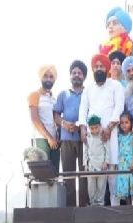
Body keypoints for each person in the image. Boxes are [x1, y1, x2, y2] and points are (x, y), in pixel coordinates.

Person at [78, 53, 125, 207]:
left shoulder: (115, 85)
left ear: (107, 68)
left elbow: (119, 107)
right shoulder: (88, 89)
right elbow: (83, 109)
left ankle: (115, 208)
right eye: (96, 66)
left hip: (110, 133)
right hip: (92, 137)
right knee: (92, 174)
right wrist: (83, 130)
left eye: (102, 66)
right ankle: (95, 207)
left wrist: (110, 127)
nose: (99, 69)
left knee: (111, 171)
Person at [54, 60, 88, 206]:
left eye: (79, 73)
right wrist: (64, 124)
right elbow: (56, 114)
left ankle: (84, 209)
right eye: (74, 73)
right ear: (70, 76)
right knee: (68, 175)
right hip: (66, 138)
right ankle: (70, 210)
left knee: (84, 175)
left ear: (84, 76)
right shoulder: (63, 94)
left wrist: (81, 126)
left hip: (84, 139)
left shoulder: (89, 93)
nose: (76, 75)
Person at [28, 65, 60, 172]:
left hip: (54, 141)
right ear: (41, 78)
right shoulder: (35, 95)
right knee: (42, 173)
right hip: (41, 139)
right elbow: (35, 119)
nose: (48, 79)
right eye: (45, 76)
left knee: (54, 174)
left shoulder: (54, 99)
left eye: (51, 77)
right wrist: (49, 138)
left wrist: (56, 137)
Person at [115, 110, 133, 205]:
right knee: (125, 188)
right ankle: (128, 208)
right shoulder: (119, 137)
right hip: (123, 165)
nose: (124, 125)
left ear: (131, 123)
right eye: (122, 123)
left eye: (126, 122)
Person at [84, 114, 110, 206]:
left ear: (100, 126)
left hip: (102, 165)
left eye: (96, 127)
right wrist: (86, 164)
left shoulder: (103, 136)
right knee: (91, 187)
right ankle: (92, 203)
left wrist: (106, 162)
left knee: (101, 186)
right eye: (92, 128)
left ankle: (100, 203)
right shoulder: (87, 137)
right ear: (89, 128)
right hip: (91, 166)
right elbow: (85, 151)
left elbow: (107, 150)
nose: (94, 130)